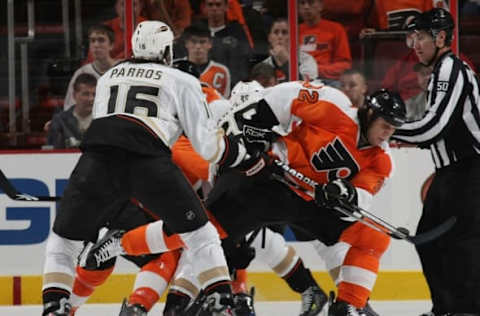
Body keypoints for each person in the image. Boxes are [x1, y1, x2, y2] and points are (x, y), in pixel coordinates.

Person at [41, 21, 259, 316]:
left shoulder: (109, 75)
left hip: (97, 162)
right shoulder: (182, 80)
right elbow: (209, 147)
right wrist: (243, 154)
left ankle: (54, 306)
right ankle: (221, 299)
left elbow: (112, 123)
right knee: (200, 235)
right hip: (149, 163)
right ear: (167, 50)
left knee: (64, 241)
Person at [393, 8, 480, 315]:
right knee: (430, 240)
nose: (415, 44)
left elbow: (434, 127)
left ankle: (466, 310)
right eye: (412, 37)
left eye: (421, 36)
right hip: (450, 174)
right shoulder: (440, 71)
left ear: (441, 37)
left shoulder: (451, 69)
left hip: (469, 173)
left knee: (464, 246)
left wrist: (387, 126)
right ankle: (445, 308)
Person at [196, 0, 253, 87]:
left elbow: (246, 59)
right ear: (204, 7)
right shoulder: (196, 31)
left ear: (226, 7)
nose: (214, 8)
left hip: (231, 85)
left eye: (218, 5)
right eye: (210, 5)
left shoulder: (237, 32)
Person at [298, 0, 352, 86]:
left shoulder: (336, 29)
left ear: (320, 6)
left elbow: (344, 65)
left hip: (327, 81)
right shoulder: (294, 31)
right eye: (302, 3)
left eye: (310, 2)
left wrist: (316, 70)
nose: (306, 7)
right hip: (300, 79)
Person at [64, 25, 117, 110]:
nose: (96, 45)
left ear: (111, 45)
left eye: (101, 40)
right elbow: (69, 107)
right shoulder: (82, 73)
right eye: (92, 41)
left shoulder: (123, 69)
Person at [47, 74, 96, 149]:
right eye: (86, 94)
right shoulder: (59, 121)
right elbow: (52, 151)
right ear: (74, 95)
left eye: (94, 94)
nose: (91, 99)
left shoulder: (102, 120)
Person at [262, 18, 318, 83]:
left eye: (284, 32)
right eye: (276, 32)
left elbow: (306, 89)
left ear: (293, 37)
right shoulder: (264, 65)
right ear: (270, 38)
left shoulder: (306, 60)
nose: (280, 36)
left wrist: (285, 62)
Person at [183, 23, 232, 98]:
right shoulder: (175, 67)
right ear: (186, 43)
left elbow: (224, 102)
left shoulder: (221, 72)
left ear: (210, 44)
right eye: (194, 42)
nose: (198, 46)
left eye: (202, 42)